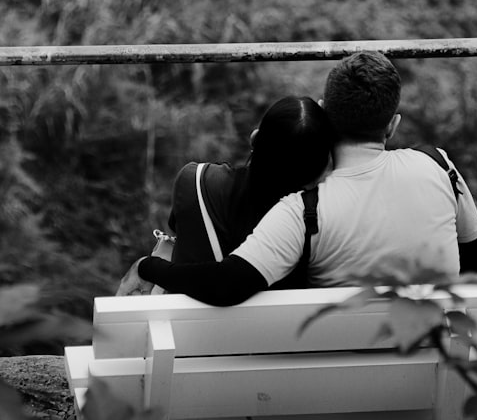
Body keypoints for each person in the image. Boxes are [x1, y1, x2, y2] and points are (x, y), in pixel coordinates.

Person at [124, 50, 477, 420]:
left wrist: (149, 264)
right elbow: (474, 255)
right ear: (393, 123)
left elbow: (227, 284)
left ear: (328, 119)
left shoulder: (305, 210)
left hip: (324, 384)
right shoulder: (437, 163)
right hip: (424, 373)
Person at [116, 95, 335, 296]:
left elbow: (178, 226)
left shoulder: (195, 181)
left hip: (187, 335)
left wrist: (146, 266)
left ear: (255, 138)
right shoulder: (323, 223)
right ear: (319, 171)